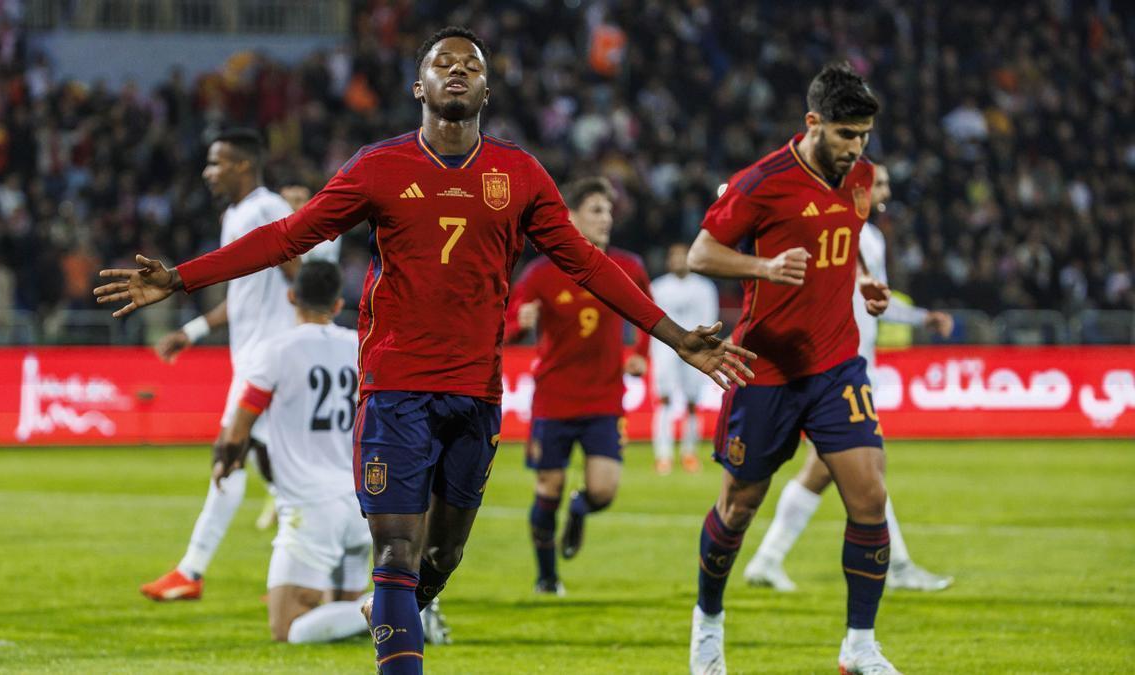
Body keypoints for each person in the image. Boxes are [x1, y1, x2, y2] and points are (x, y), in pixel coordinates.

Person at [94, 26, 754, 675]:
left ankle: (395, 610)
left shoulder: (518, 174)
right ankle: (395, 617)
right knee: (398, 553)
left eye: (472, 63)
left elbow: (587, 263)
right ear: (420, 85)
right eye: (444, 62)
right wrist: (181, 277)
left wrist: (673, 335)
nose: (458, 70)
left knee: (441, 558)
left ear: (488, 88)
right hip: (395, 391)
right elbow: (288, 236)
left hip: (475, 394)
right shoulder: (380, 167)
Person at [684, 64, 903, 674]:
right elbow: (702, 252)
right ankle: (708, 625)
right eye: (844, 134)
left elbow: (847, 237)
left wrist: (866, 284)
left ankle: (859, 646)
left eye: (862, 135)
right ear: (813, 124)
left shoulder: (859, 178)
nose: (856, 149)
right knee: (738, 509)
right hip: (767, 370)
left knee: (870, 496)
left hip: (836, 364)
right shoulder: (762, 182)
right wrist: (763, 267)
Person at [743, 164, 955, 594]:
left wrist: (919, 317)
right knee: (866, 463)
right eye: (879, 182)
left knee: (829, 469)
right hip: (833, 365)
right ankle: (896, 565)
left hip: (854, 362)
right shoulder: (842, 229)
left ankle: (766, 561)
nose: (886, 191)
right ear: (857, 186)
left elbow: (874, 296)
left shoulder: (869, 236)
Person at [140, 129, 304, 602]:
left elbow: (299, 272)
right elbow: (240, 297)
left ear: (243, 165)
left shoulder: (266, 208)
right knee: (281, 467)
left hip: (269, 358)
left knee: (228, 457)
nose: (208, 171)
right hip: (254, 355)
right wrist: (190, 332)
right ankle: (322, 565)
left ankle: (191, 570)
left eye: (217, 163)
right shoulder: (236, 214)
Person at [504, 176, 650, 596]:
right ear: (571, 217)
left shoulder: (630, 266)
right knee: (547, 486)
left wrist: (640, 350)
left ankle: (580, 509)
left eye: (608, 211)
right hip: (554, 399)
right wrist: (520, 326)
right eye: (596, 210)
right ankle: (547, 577)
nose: (606, 219)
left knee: (603, 490)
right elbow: (509, 324)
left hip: (605, 399)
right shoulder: (541, 274)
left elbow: (649, 313)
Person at [211, 260, 370, 643]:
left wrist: (225, 462)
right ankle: (386, 610)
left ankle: (404, 611)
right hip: (362, 502)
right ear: (337, 306)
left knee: (287, 630)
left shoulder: (276, 350)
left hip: (311, 506)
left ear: (291, 297)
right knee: (341, 622)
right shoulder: (359, 347)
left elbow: (241, 422)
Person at [649, 242, 720, 475]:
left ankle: (689, 453)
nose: (679, 260)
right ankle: (663, 455)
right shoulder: (658, 287)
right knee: (665, 400)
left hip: (696, 350)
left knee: (691, 403)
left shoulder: (704, 287)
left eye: (683, 256)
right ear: (669, 261)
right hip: (664, 349)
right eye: (675, 256)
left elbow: (710, 319)